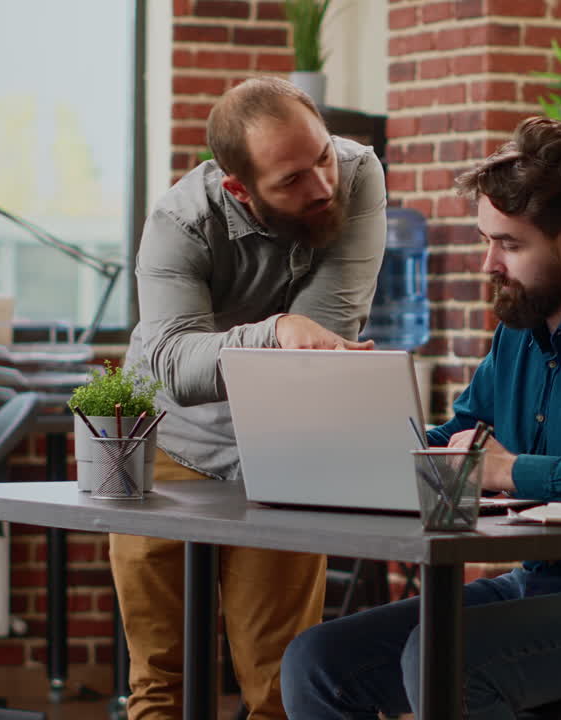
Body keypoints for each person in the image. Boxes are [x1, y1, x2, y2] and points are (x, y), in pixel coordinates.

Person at [280, 117, 561, 719]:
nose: (488, 263)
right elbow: (460, 437)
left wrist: (513, 472)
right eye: (486, 239)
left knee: (440, 659)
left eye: (509, 244)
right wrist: (354, 442)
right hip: (544, 584)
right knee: (318, 663)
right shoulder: (522, 331)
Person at [113, 77, 387, 719]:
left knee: (282, 678)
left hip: (282, 443)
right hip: (168, 441)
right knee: (161, 680)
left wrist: (290, 340)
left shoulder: (357, 175)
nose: (320, 186)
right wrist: (276, 331)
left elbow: (325, 340)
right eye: (290, 180)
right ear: (239, 187)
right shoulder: (179, 221)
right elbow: (176, 363)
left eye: (321, 157)